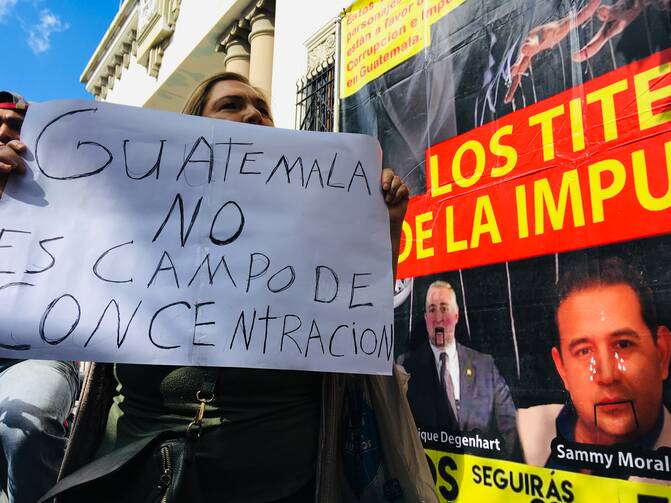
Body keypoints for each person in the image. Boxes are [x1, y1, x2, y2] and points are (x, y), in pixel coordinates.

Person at [35, 73, 437, 503]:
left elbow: (358, 311)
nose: (252, 114)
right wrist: (17, 189)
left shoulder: (313, 222)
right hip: (138, 469)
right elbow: (57, 258)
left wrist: (388, 226)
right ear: (192, 125)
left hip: (279, 478)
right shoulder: (138, 213)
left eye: (261, 110)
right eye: (230, 105)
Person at [518, 257, 671, 483]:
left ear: (662, 353)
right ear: (562, 369)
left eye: (624, 344)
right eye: (584, 351)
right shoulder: (517, 429)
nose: (608, 376)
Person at [0, 91, 80, 503]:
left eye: (16, 127)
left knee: (23, 428)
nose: (3, 134)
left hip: (36, 352)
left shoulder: (69, 198)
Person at [397, 281, 519, 460]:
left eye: (444, 308)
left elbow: (510, 427)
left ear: (456, 315)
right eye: (432, 309)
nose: (438, 317)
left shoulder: (485, 366)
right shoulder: (406, 365)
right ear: (425, 318)